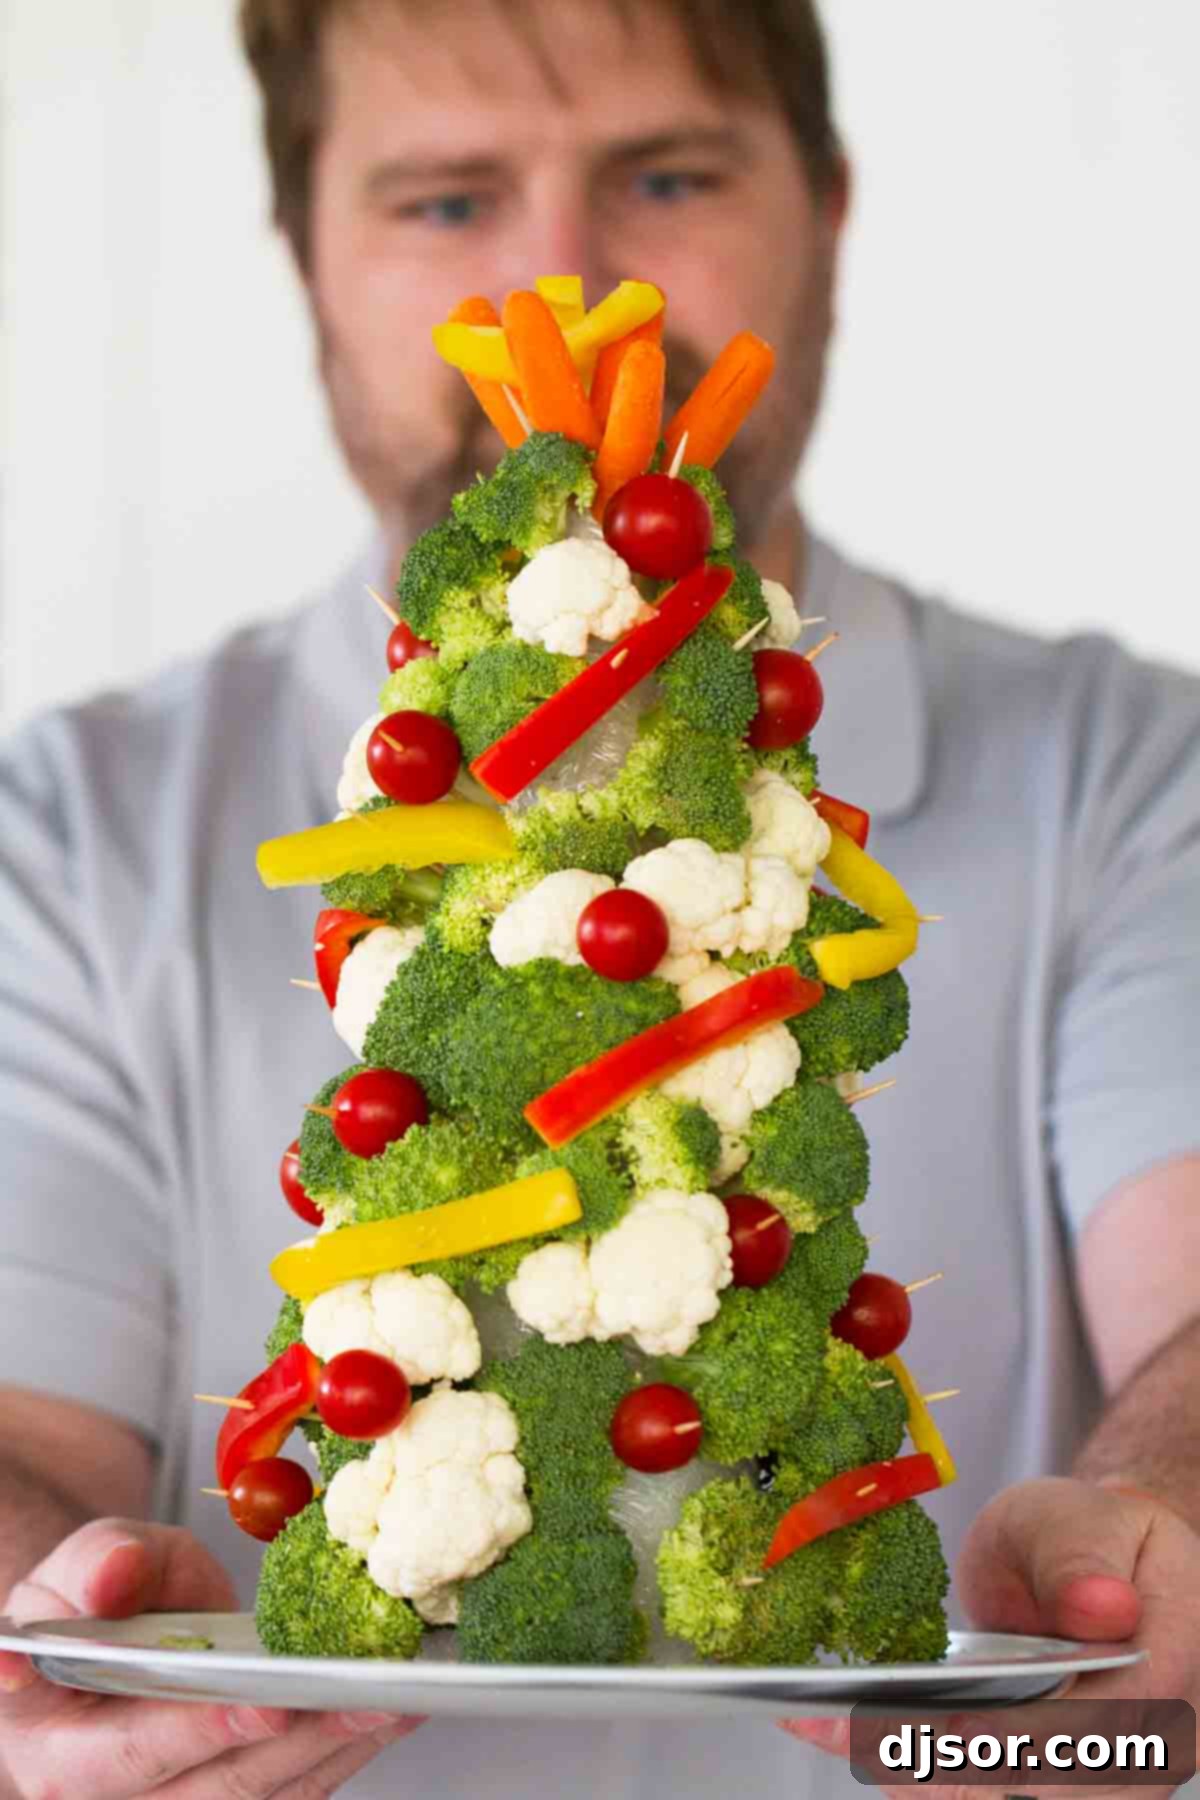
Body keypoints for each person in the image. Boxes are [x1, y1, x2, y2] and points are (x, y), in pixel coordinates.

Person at [2, 1, 1198, 1795]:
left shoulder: (1137, 776)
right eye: (446, 200)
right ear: (306, 254)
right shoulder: (66, 832)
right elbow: (21, 1433)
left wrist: (1165, 1537)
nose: (566, 291)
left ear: (827, 213)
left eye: (667, 176)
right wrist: (32, 1639)